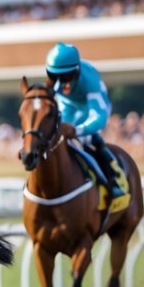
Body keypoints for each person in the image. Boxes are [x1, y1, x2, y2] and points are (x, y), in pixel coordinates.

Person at [45, 42, 124, 198]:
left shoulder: (90, 81)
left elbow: (99, 118)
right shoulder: (56, 81)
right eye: (55, 77)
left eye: (66, 77)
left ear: (77, 71)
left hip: (91, 108)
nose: (61, 84)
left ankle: (111, 177)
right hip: (68, 107)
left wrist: (77, 130)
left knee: (85, 139)